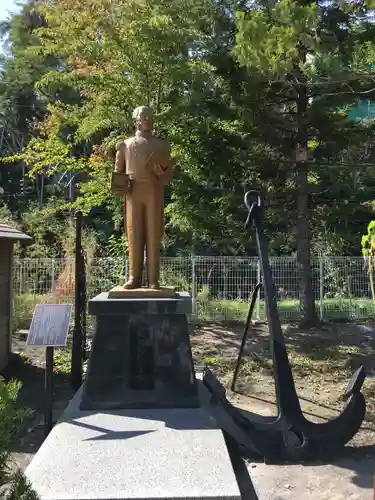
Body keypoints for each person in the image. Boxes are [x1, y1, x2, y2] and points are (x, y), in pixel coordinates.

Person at [114, 106, 173, 289]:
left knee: (154, 235)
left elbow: (168, 176)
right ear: (136, 120)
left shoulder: (162, 145)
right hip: (133, 193)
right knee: (134, 234)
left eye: (149, 116)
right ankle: (134, 277)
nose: (147, 119)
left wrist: (161, 173)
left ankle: (153, 279)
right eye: (143, 116)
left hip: (154, 192)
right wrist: (121, 185)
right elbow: (118, 172)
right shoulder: (125, 145)